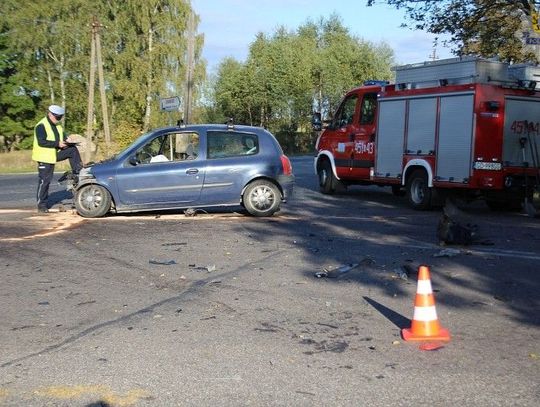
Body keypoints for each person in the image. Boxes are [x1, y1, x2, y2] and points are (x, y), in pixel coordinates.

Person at [32, 105, 83, 213]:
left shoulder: (58, 126)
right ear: (50, 114)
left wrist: (67, 140)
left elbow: (63, 137)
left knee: (72, 149)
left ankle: (78, 172)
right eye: (57, 117)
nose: (58, 119)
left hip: (53, 154)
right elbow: (41, 142)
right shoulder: (41, 125)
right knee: (45, 181)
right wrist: (57, 144)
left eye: (60, 117)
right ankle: (41, 205)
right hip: (44, 157)